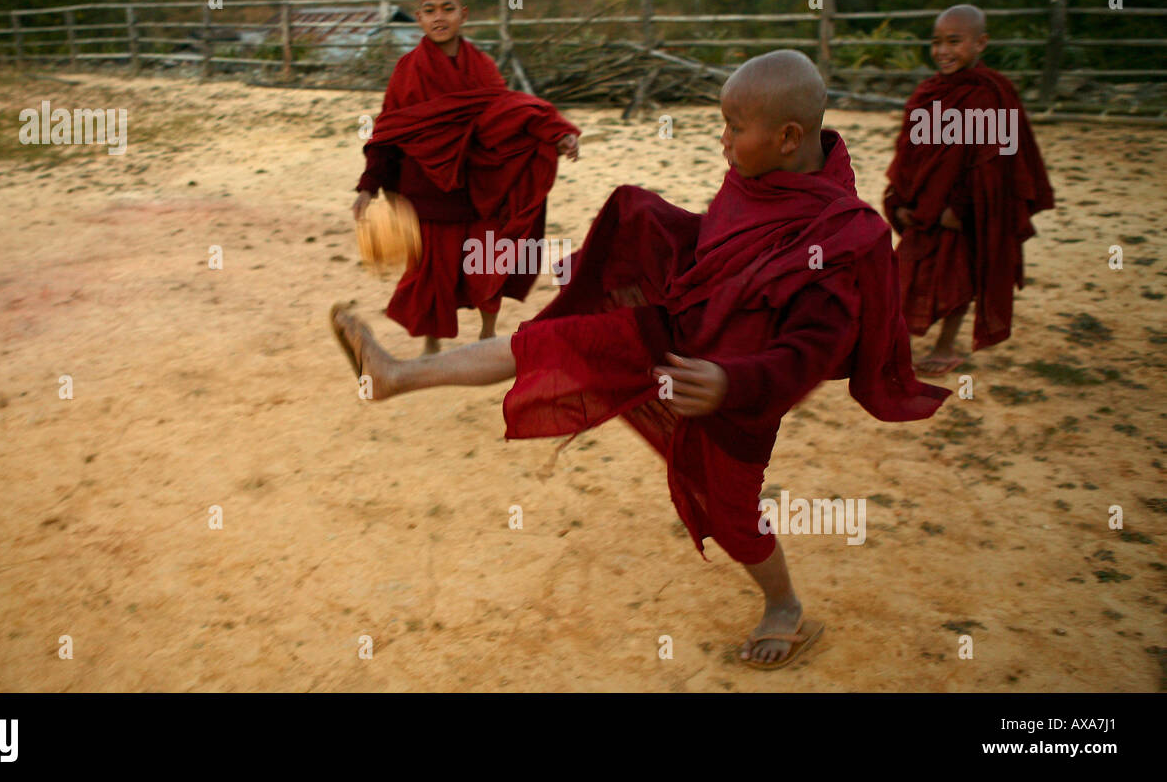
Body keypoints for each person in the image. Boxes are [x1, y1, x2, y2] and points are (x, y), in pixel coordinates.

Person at [334, 50, 950, 669]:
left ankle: (784, 606)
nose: (724, 138)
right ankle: (395, 375)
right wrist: (650, 230)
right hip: (669, 332)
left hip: (735, 396)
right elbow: (721, 250)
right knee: (543, 343)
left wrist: (730, 380)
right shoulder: (757, 174)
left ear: (789, 137)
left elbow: (814, 351)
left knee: (733, 518)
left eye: (734, 127)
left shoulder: (840, 234)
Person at [352, 0, 580, 353]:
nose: (438, 17)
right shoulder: (408, 70)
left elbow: (511, 114)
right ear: (419, 17)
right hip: (427, 190)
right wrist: (367, 186)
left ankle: (488, 334)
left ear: (463, 14)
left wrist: (558, 134)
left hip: (479, 187)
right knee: (432, 272)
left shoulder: (482, 67)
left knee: (488, 258)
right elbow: (390, 132)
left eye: (448, 8)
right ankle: (431, 345)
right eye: (429, 10)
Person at [884, 4, 1054, 374]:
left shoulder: (992, 94)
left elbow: (998, 161)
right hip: (923, 207)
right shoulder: (929, 92)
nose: (943, 51)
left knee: (960, 280)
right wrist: (897, 197)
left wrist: (962, 208)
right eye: (936, 42)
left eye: (954, 42)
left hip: (964, 211)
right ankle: (894, 348)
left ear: (981, 43)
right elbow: (911, 149)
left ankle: (944, 348)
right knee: (904, 275)